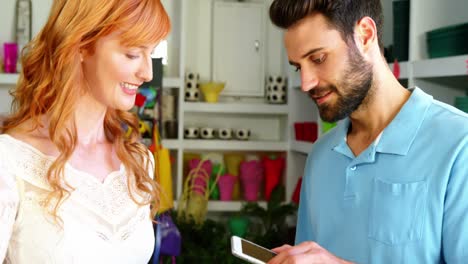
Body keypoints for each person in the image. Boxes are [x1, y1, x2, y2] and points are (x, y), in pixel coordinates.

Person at [267, 0, 468, 263]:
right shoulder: (320, 154)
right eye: (298, 67)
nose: (306, 83)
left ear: (365, 35)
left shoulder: (459, 144)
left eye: (318, 58)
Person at [0, 0, 170, 263]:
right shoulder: (8, 162)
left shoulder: (137, 162)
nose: (147, 73)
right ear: (81, 45)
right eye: (133, 54)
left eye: (153, 54)